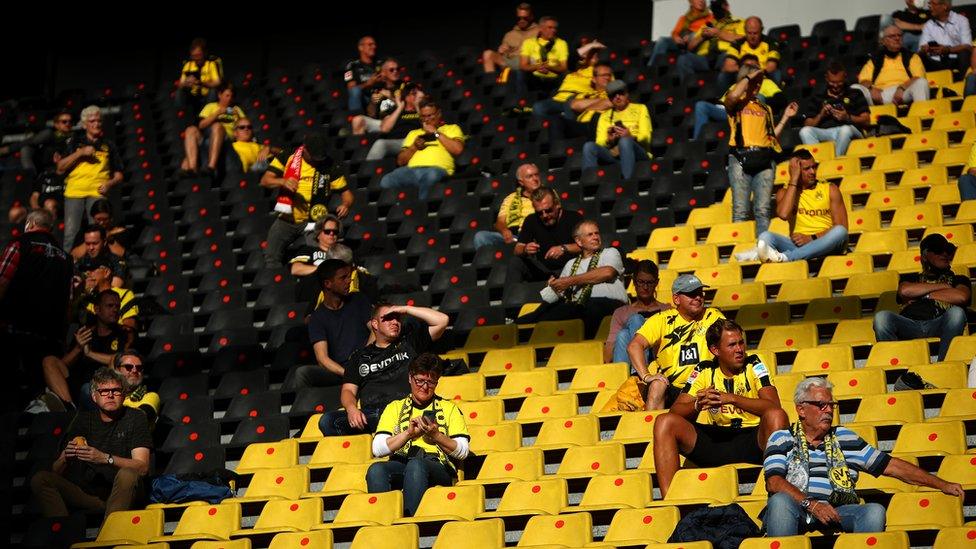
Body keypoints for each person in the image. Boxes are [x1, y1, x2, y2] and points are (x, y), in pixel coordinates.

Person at [763, 377, 964, 536]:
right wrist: (812, 504)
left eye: (831, 405)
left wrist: (942, 484)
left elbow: (891, 466)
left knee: (874, 511)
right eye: (821, 405)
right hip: (797, 509)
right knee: (780, 502)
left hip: (836, 510)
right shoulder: (781, 438)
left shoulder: (843, 437)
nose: (828, 411)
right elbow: (774, 482)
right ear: (801, 409)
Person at [653, 319, 788, 496]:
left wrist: (732, 399)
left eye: (741, 343)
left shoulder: (754, 364)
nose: (739, 349)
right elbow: (675, 412)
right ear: (715, 350)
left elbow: (773, 406)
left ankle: (778, 489)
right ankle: (671, 500)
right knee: (664, 422)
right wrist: (697, 404)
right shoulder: (704, 370)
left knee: (777, 416)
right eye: (732, 345)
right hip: (716, 441)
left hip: (752, 439)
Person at [30, 368, 152, 520]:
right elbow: (56, 471)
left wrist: (105, 458)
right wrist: (66, 457)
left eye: (116, 390)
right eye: (104, 391)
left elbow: (142, 467)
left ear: (124, 394)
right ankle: (62, 535)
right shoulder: (83, 420)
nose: (110, 395)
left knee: (127, 474)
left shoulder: (135, 418)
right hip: (90, 495)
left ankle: (109, 533)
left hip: (125, 491)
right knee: (41, 478)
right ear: (94, 396)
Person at [320, 302, 449, 436]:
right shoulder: (359, 357)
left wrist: (406, 309)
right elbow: (348, 390)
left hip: (405, 410)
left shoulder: (410, 343)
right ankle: (370, 446)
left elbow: (442, 320)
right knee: (328, 421)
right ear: (375, 324)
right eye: (388, 318)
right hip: (372, 415)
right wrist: (352, 409)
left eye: (397, 318)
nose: (395, 322)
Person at [367, 353, 469, 517]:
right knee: (376, 469)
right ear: (410, 378)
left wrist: (436, 435)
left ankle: (410, 522)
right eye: (420, 381)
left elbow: (463, 452)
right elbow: (378, 449)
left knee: (417, 466)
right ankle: (382, 524)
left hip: (436, 465)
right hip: (402, 461)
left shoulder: (449, 408)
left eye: (431, 382)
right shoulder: (394, 408)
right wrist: (408, 434)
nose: (425, 387)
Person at [0, 209, 73, 412]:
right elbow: (68, 305)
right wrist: (62, 338)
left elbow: (2, 283)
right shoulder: (66, 259)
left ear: (30, 223)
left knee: (11, 395)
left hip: (16, 333)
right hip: (50, 338)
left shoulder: (19, 245)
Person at [622, 274, 726, 411]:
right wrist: (646, 376)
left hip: (708, 385)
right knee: (657, 384)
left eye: (700, 293)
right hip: (673, 388)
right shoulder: (662, 319)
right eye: (691, 294)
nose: (698, 297)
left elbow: (731, 340)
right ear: (676, 299)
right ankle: (650, 428)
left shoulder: (713, 316)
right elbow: (634, 346)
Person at [516, 220, 629, 338]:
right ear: (579, 241)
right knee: (531, 318)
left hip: (610, 306)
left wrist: (568, 281)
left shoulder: (609, 252)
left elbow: (607, 272)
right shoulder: (570, 264)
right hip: (579, 308)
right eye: (590, 235)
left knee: (574, 309)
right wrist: (554, 286)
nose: (595, 237)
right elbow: (558, 294)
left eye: (597, 233)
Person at [736, 149, 849, 263]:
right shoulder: (784, 193)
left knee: (840, 232)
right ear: (795, 171)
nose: (813, 172)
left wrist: (812, 237)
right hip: (798, 246)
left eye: (814, 167)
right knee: (765, 237)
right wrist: (794, 179)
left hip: (826, 244)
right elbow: (783, 214)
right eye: (806, 169)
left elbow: (842, 227)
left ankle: (784, 257)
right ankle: (778, 256)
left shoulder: (830, 189)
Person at [261, 131, 354, 268]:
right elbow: (265, 180)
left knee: (322, 258)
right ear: (305, 148)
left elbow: (347, 194)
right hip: (287, 218)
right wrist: (283, 181)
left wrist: (346, 204)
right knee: (271, 257)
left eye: (319, 156)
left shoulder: (330, 165)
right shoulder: (287, 156)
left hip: (315, 222)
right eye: (314, 155)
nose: (317, 160)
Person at [872, 233, 970, 361]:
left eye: (948, 251)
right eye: (938, 250)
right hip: (909, 324)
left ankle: (944, 364)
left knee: (956, 313)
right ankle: (897, 364)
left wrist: (923, 295)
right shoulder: (911, 278)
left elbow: (961, 296)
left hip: (940, 322)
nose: (945, 254)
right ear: (924, 256)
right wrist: (944, 287)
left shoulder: (959, 279)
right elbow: (905, 291)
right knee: (882, 317)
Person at [723, 64, 795, 235]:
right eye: (754, 82)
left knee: (762, 210)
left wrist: (785, 118)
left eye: (759, 83)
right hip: (740, 158)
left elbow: (770, 138)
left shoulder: (765, 108)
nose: (757, 86)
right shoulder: (736, 102)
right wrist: (748, 78)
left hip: (764, 158)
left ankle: (763, 249)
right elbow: (732, 96)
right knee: (740, 210)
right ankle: (740, 249)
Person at [43, 289, 130, 412]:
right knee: (49, 361)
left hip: (102, 388)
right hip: (76, 385)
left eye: (117, 306)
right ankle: (69, 409)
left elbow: (123, 360)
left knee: (87, 388)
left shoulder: (123, 333)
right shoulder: (85, 333)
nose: (115, 310)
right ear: (97, 309)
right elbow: (62, 365)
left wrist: (90, 354)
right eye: (110, 306)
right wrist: (78, 347)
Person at [293, 259, 372, 389]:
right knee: (303, 373)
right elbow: (322, 358)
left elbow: (375, 331)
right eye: (343, 278)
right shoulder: (317, 317)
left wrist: (365, 357)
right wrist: (348, 374)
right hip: (341, 371)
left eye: (349, 276)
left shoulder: (358, 299)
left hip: (367, 362)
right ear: (328, 284)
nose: (349, 281)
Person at [57, 105, 123, 253]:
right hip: (74, 192)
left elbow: (119, 175)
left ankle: (98, 265)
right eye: (92, 121)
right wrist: (80, 153)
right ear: (85, 124)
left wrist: (109, 183)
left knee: (98, 231)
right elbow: (60, 168)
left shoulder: (108, 145)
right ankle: (68, 267)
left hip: (97, 192)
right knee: (71, 234)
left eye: (99, 121)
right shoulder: (73, 143)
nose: (96, 124)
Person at [379, 101, 465, 200]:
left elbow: (458, 150)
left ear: (439, 114)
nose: (426, 120)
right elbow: (400, 161)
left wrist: (436, 133)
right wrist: (414, 147)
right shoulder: (413, 133)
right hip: (411, 171)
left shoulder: (452, 129)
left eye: (429, 115)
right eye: (423, 116)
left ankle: (421, 208)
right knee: (387, 180)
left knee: (431, 175)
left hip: (437, 169)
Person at [692, 53, 783, 140]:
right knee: (701, 105)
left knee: (759, 97)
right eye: (746, 66)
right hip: (730, 112)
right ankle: (698, 141)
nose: (749, 69)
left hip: (750, 113)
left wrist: (750, 98)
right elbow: (723, 102)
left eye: (753, 66)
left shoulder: (766, 83)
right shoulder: (736, 85)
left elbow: (780, 99)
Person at [532, 42, 610, 140]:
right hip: (558, 99)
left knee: (568, 107)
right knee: (538, 107)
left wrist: (592, 50)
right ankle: (555, 127)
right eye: (584, 54)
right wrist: (590, 45)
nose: (584, 56)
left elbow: (607, 86)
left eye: (590, 55)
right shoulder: (573, 69)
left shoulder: (597, 71)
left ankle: (566, 131)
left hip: (575, 99)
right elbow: (573, 57)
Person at [506, 186, 583, 284]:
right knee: (515, 262)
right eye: (539, 213)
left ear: (557, 204)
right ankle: (511, 298)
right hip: (543, 270)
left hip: (571, 269)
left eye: (548, 210)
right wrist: (525, 249)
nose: (545, 215)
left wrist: (563, 248)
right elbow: (517, 249)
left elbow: (586, 246)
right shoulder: (531, 220)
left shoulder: (574, 218)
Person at [581, 80, 652, 180]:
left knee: (625, 141)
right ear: (610, 99)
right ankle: (589, 184)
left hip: (638, 154)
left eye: (621, 93)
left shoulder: (640, 108)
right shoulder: (605, 116)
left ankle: (627, 184)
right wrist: (609, 140)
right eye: (613, 95)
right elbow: (599, 142)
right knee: (589, 146)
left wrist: (630, 136)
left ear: (627, 94)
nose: (617, 97)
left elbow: (646, 137)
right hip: (615, 155)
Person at [797, 61, 870, 157]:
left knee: (845, 129)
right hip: (826, 131)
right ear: (826, 78)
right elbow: (807, 124)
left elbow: (866, 120)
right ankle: (818, 160)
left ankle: (834, 161)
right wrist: (821, 115)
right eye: (832, 82)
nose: (835, 86)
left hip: (850, 129)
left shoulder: (855, 93)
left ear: (845, 77)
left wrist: (847, 117)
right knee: (805, 131)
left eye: (839, 82)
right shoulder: (817, 97)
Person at [604, 260, 670, 364]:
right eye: (641, 282)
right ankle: (636, 371)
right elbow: (609, 353)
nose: (645, 287)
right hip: (627, 359)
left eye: (649, 282)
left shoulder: (667, 310)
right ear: (634, 282)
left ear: (656, 283)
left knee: (633, 323)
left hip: (658, 359)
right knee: (624, 333)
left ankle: (639, 370)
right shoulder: (621, 312)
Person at [180, 82, 246, 177]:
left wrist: (238, 116)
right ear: (220, 95)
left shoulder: (236, 109)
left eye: (231, 96)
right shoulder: (210, 106)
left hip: (226, 137)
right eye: (227, 96)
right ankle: (192, 169)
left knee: (217, 126)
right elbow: (201, 125)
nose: (229, 99)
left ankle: (211, 167)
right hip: (208, 135)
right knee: (190, 130)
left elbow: (245, 124)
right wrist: (217, 113)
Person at [853, 26, 929, 106]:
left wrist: (901, 88)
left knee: (921, 83)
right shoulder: (874, 59)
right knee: (855, 88)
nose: (897, 38)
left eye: (899, 35)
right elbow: (863, 80)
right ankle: (866, 116)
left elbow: (918, 77)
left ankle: (923, 114)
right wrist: (871, 89)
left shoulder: (911, 57)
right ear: (882, 41)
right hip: (881, 94)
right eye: (892, 36)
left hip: (904, 92)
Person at [473, 162, 542, 249]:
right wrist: (504, 230)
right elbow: (500, 222)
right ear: (521, 182)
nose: (535, 179)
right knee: (481, 237)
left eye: (536, 175)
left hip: (533, 237)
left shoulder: (548, 194)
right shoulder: (510, 198)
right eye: (530, 176)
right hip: (513, 237)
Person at [674, 0, 745, 81]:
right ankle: (690, 87)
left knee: (729, 59)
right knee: (683, 59)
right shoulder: (706, 25)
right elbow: (690, 47)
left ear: (727, 6)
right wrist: (702, 37)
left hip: (724, 55)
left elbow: (742, 39)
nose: (716, 10)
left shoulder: (738, 22)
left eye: (718, 7)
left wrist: (718, 33)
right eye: (714, 8)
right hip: (704, 58)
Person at [288, 216, 355, 301]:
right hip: (316, 293)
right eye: (327, 231)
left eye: (335, 231)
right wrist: (325, 269)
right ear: (318, 234)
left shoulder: (345, 252)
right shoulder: (308, 250)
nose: (332, 234)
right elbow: (296, 269)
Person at [0, 109, 73, 176]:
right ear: (56, 124)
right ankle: (31, 177)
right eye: (64, 122)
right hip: (43, 166)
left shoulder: (75, 137)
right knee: (26, 148)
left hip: (62, 167)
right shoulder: (51, 135)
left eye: (70, 121)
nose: (68, 124)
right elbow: (31, 142)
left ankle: (7, 150)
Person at [78, 256, 139, 337]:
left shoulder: (124, 294)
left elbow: (129, 328)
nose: (87, 273)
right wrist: (80, 291)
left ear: (106, 272)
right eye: (86, 270)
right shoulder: (84, 299)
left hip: (115, 343)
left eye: (93, 269)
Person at [364, 82, 424, 161]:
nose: (416, 96)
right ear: (406, 97)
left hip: (412, 140)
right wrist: (399, 108)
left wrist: (417, 106)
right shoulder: (394, 110)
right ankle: (368, 171)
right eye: (413, 93)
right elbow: (385, 129)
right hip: (396, 142)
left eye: (417, 93)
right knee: (381, 143)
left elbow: (427, 125)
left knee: (381, 144)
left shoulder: (423, 110)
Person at [647, 0, 715, 67]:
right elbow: (675, 32)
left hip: (699, 42)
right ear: (691, 2)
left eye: (703, 0)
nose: (701, 1)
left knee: (693, 35)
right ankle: (652, 66)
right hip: (683, 42)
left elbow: (711, 31)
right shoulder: (684, 18)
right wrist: (676, 37)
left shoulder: (711, 17)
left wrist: (691, 35)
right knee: (662, 40)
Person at [517, 16, 569, 95]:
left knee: (566, 74)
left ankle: (561, 100)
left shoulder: (561, 43)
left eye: (555, 28)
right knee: (520, 73)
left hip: (553, 78)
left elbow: (563, 67)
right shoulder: (528, 42)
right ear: (540, 28)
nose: (553, 30)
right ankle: (522, 102)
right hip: (535, 78)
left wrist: (549, 67)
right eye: (550, 27)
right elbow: (523, 65)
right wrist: (537, 67)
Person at [724, 16, 780, 88]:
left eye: (755, 33)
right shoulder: (737, 43)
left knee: (776, 73)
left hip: (764, 76)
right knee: (723, 75)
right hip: (741, 76)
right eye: (749, 33)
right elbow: (728, 66)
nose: (752, 36)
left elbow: (771, 67)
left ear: (761, 30)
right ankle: (722, 97)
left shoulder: (771, 43)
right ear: (745, 30)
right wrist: (747, 70)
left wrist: (754, 71)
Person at [351, 58, 403, 135]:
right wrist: (373, 102)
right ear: (384, 73)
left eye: (397, 69)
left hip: (399, 120)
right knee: (357, 120)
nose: (395, 72)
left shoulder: (404, 86)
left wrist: (391, 97)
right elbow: (371, 114)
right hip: (381, 122)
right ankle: (359, 146)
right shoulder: (377, 88)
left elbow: (407, 108)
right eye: (391, 70)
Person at [483, 3, 539, 73]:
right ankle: (490, 82)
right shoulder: (510, 34)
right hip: (510, 62)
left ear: (531, 17)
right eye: (519, 18)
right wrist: (501, 51)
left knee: (533, 60)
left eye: (525, 18)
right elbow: (504, 53)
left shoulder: (540, 31)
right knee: (487, 54)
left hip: (528, 62)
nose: (521, 20)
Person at [918, 0, 972, 73]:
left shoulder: (961, 20)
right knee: (920, 57)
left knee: (964, 53)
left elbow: (967, 46)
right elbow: (920, 49)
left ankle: (964, 81)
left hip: (956, 60)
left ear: (944, 6)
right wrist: (925, 49)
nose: (929, 6)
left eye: (933, 3)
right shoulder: (929, 24)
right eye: (929, 3)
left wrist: (947, 50)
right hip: (935, 62)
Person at [176, 38, 223, 115]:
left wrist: (202, 83)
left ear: (204, 53)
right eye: (194, 56)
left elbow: (217, 82)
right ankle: (181, 112)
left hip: (206, 95)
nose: (196, 58)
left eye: (198, 55)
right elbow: (180, 84)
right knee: (179, 91)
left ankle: (208, 112)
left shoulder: (211, 64)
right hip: (193, 95)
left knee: (213, 91)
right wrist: (186, 83)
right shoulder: (188, 65)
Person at [344, 36, 381, 114]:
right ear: (361, 47)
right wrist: (368, 83)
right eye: (370, 44)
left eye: (374, 44)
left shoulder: (380, 63)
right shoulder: (351, 66)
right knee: (354, 91)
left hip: (381, 95)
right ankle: (356, 117)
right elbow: (351, 88)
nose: (374, 47)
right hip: (365, 99)